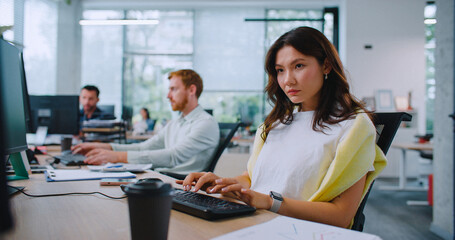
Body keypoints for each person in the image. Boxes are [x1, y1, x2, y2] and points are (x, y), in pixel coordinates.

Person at [177, 27, 387, 228]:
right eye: (280, 70)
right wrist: (222, 183)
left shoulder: (353, 127)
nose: (288, 80)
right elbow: (253, 178)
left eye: (299, 66)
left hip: (296, 230)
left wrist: (270, 202)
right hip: (251, 220)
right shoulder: (276, 124)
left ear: (326, 66)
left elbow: (341, 215)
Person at [72, 69, 220, 175]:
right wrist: (105, 147)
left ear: (191, 90)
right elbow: (144, 147)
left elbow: (173, 156)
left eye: (173, 89)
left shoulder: (205, 123)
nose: (168, 96)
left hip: (178, 184)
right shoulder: (176, 123)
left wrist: (117, 157)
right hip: (160, 176)